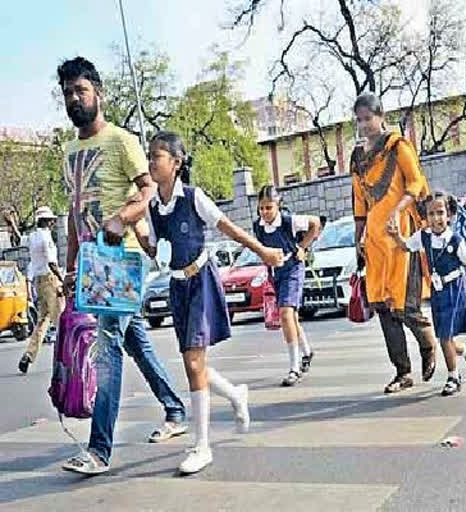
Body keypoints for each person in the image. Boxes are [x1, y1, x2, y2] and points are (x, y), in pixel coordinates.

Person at [56, 57, 187, 475]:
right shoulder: (69, 151)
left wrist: (122, 219)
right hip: (91, 265)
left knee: (108, 350)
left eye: (81, 90)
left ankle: (99, 451)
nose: (75, 99)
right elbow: (75, 213)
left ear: (99, 93)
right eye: (68, 93)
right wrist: (71, 265)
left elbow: (148, 189)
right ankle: (175, 409)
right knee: (135, 343)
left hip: (121, 260)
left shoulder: (121, 141)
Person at [136, 131, 284, 474]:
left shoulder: (194, 196)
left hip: (201, 280)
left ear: (176, 163)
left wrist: (262, 252)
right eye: (150, 155)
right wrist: (140, 237)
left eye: (157, 156)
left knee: (193, 363)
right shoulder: (154, 207)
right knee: (194, 364)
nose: (151, 162)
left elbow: (228, 227)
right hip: (177, 287)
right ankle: (235, 395)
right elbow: (159, 251)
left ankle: (202, 446)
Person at [351, 92, 438, 394]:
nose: (364, 125)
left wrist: (398, 210)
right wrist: (357, 238)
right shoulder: (358, 157)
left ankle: (428, 343)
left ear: (381, 116)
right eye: (359, 120)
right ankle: (402, 371)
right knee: (382, 306)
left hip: (401, 235)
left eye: (368, 118)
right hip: (374, 241)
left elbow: (416, 184)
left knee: (404, 304)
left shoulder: (397, 146)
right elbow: (359, 201)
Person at [389, 191, 466, 396]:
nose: (436, 218)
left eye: (440, 213)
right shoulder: (423, 237)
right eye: (431, 214)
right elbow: (405, 247)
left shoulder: (455, 241)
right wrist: (396, 236)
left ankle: (453, 377)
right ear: (426, 217)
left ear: (449, 215)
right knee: (443, 338)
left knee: (446, 336)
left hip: (454, 290)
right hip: (437, 292)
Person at [253, 185, 321, 387]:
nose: (265, 212)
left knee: (285, 313)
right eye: (262, 208)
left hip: (293, 268)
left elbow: (315, 223)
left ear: (278, 206)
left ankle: (294, 367)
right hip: (276, 272)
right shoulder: (258, 226)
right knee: (290, 317)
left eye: (269, 208)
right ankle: (307, 352)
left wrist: (302, 247)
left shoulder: (289, 221)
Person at [18, 207, 64, 374]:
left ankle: (29, 355)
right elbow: (52, 262)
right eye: (51, 220)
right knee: (61, 321)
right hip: (50, 279)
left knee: (42, 322)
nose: (53, 222)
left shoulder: (32, 237)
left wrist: (12, 225)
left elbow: (19, 240)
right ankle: (64, 359)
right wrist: (62, 279)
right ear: (46, 221)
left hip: (39, 281)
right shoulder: (46, 238)